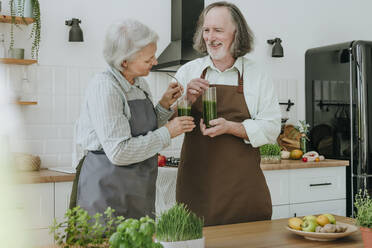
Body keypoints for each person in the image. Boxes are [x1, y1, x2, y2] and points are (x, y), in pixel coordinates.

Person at [72, 19, 195, 220]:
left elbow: (143, 128)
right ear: (124, 61)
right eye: (148, 59)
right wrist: (168, 132)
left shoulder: (139, 83)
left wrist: (164, 105)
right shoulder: (105, 87)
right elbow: (119, 152)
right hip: (107, 189)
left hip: (138, 188)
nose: (155, 62)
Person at [175, 2, 281, 226]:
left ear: (237, 33)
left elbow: (272, 129)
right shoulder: (187, 72)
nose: (210, 37)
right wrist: (187, 101)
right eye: (206, 30)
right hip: (197, 189)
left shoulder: (258, 76)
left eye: (218, 30)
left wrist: (231, 127)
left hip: (243, 191)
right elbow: (165, 125)